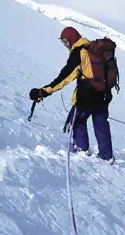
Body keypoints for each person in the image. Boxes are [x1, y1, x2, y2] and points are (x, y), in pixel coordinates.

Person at [29, 26, 118, 163]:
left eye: (65, 41)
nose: (65, 44)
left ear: (72, 39)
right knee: (101, 122)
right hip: (103, 94)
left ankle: (81, 150)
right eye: (62, 42)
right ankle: (107, 157)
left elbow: (65, 77)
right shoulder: (93, 48)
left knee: (77, 121)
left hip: (86, 95)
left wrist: (44, 91)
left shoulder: (79, 52)